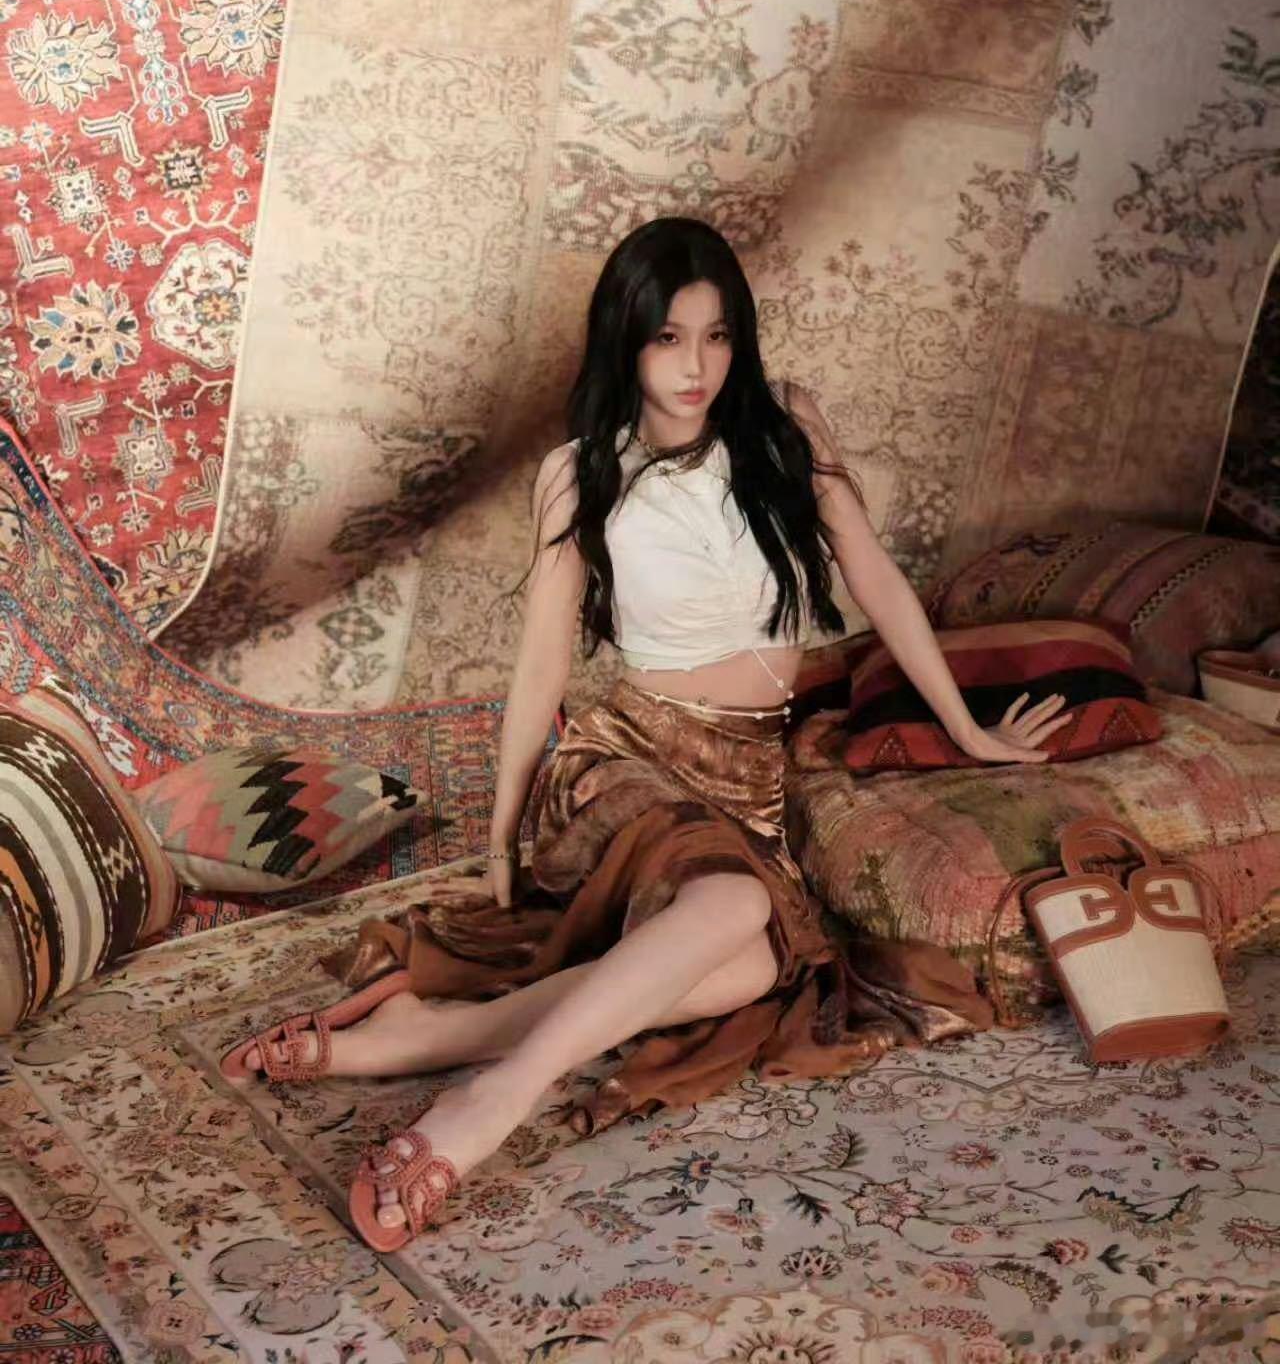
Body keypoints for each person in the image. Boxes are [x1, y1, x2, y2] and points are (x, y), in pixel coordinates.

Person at [221, 217, 1069, 1251]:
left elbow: (876, 578)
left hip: (743, 775)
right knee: (734, 906)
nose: (694, 367)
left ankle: (429, 1036)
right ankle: (490, 1100)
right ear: (626, 340)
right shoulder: (581, 471)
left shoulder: (785, 432)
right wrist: (501, 836)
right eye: (668, 338)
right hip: (624, 755)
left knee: (747, 972)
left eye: (715, 337)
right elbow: (542, 664)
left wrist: (966, 727)